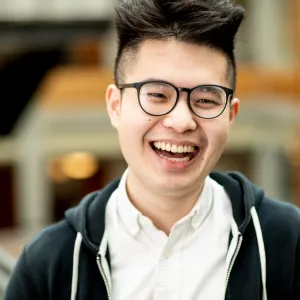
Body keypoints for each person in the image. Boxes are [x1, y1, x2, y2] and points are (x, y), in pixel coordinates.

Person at [5, 0, 300, 299]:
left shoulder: (288, 243)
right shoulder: (48, 264)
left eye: (206, 100)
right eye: (157, 94)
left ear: (230, 114)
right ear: (115, 106)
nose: (182, 121)